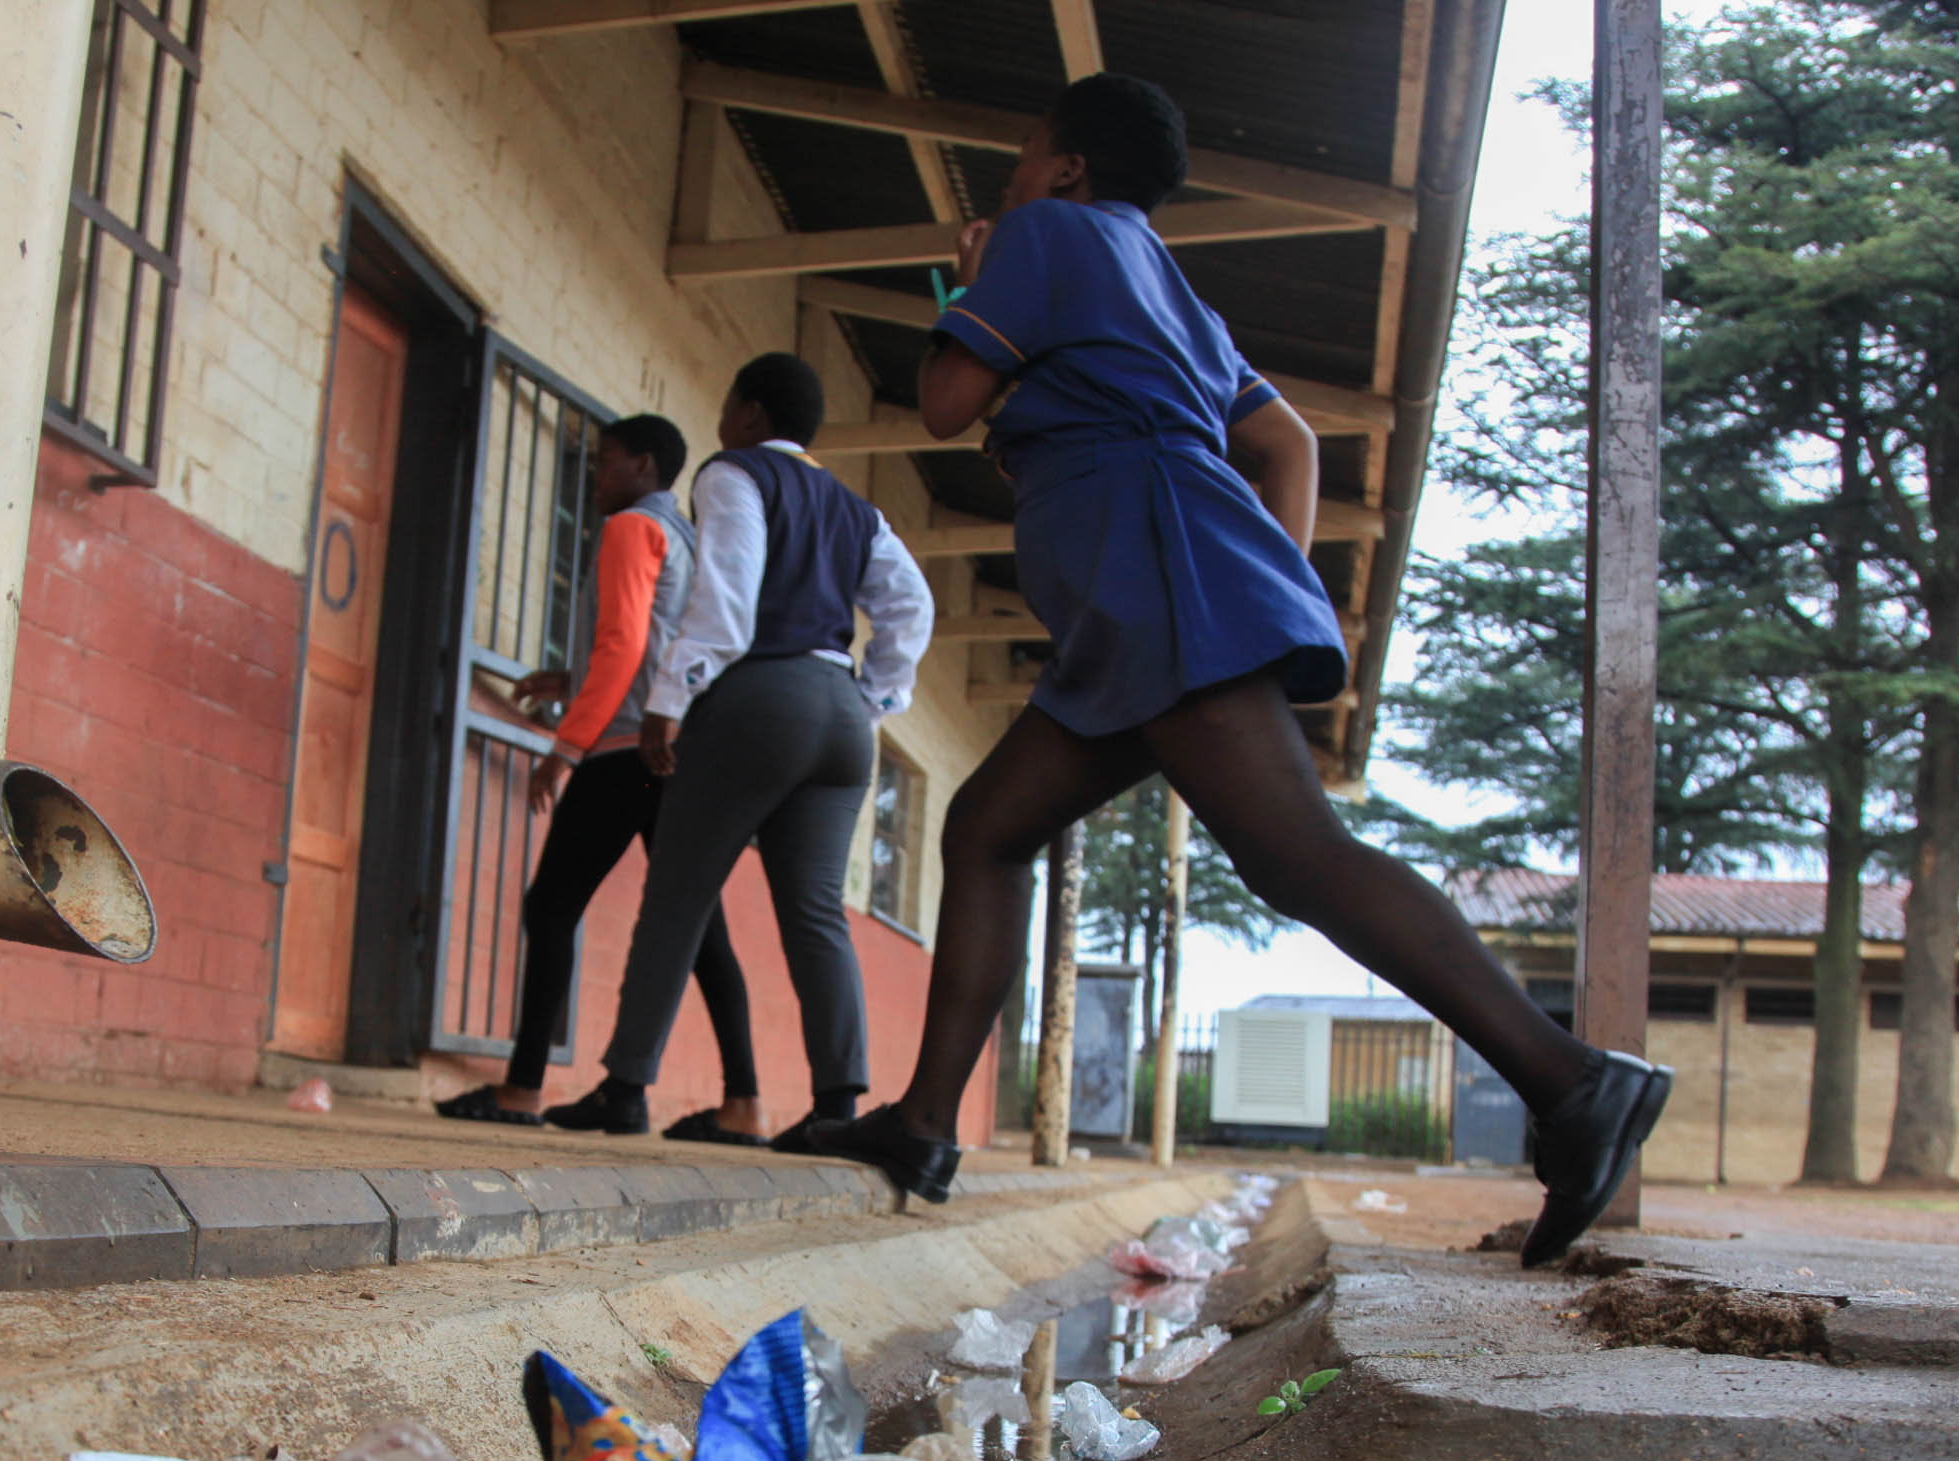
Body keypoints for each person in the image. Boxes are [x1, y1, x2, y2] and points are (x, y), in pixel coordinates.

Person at [808, 74, 1669, 1268]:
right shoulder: (1180, 298)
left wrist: (970, 276)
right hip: (1151, 594)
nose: (1008, 181)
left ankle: (1573, 1080)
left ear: (1065, 168)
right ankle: (921, 1124)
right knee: (989, 825)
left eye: (1020, 159)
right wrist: (1259, 579)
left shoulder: (1044, 234)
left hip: (1157, 578)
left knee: (1295, 854)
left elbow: (946, 400)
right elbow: (1286, 443)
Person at [544, 354, 937, 1143]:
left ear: (750, 413)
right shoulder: (860, 511)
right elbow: (911, 604)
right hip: (841, 721)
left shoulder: (734, 473)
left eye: (727, 400)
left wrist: (670, 695)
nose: (722, 416)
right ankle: (836, 1108)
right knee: (817, 911)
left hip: (761, 700)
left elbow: (728, 589)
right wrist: (874, 698)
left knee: (679, 895)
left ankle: (625, 1089)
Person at [435, 415, 768, 1144]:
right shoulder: (685, 539)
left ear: (644, 466)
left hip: (623, 753)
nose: (596, 477)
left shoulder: (630, 531)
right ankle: (745, 1101)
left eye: (606, 463)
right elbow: (649, 647)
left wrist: (565, 749)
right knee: (702, 930)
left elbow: (623, 646)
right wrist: (568, 677)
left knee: (551, 906)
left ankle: (522, 1088)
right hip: (676, 754)